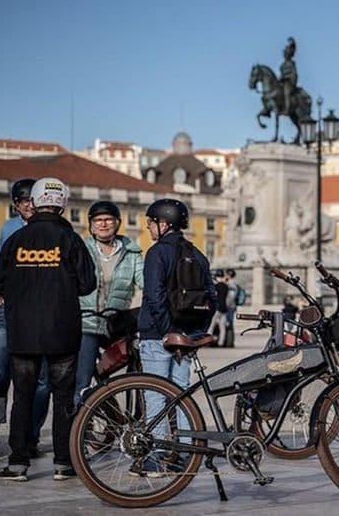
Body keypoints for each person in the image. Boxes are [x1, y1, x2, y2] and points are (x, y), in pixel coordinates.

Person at [0, 177, 96, 481]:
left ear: (34, 203)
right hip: (62, 329)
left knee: (22, 394)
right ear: (63, 205)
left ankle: (18, 463)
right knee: (63, 397)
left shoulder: (16, 240)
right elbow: (88, 283)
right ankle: (64, 462)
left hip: (23, 332)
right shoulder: (71, 239)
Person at [136, 198, 216, 476]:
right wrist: (193, 331)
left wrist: (167, 329)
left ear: (164, 223)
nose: (147, 227)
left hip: (158, 335)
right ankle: (184, 454)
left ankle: (156, 456)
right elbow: (212, 297)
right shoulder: (197, 253)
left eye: (150, 222)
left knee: (156, 395)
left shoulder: (157, 253)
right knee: (181, 394)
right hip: (186, 338)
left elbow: (155, 295)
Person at [0, 179, 51, 463]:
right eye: (23, 201)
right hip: (10, 312)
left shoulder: (50, 227)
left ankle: (30, 437)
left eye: (32, 199)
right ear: (15, 204)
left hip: (42, 314)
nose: (29, 205)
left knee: (41, 379)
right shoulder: (8, 228)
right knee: (0, 374)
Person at [74, 201, 144, 406]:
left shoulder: (131, 253)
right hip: (86, 322)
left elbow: (145, 282)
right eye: (98, 220)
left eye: (108, 220)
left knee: (134, 370)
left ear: (117, 223)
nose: (103, 224)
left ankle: (132, 417)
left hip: (116, 323)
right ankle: (80, 426)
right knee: (83, 381)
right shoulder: (81, 249)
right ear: (91, 225)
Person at [209, 270, 229, 347]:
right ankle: (221, 342)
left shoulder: (215, 287)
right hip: (224, 308)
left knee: (211, 326)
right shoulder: (226, 286)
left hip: (217, 308)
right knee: (222, 327)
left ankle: (208, 341)